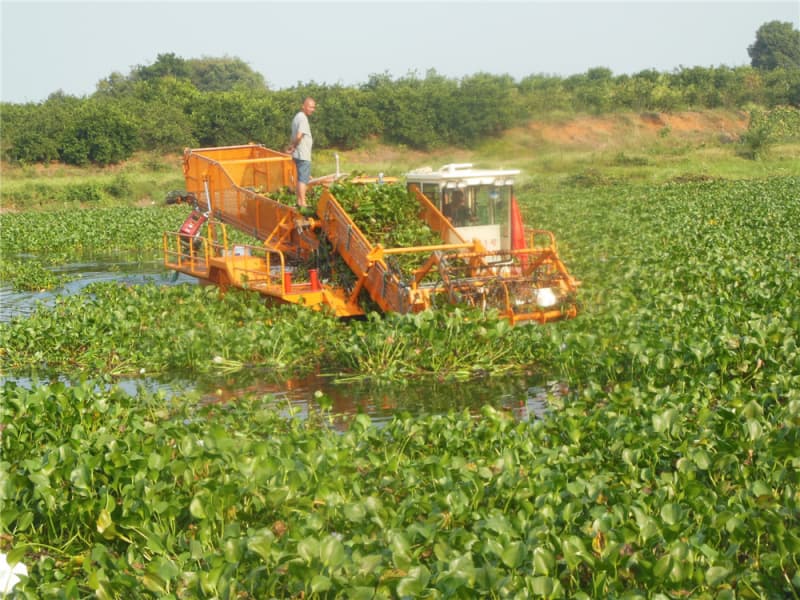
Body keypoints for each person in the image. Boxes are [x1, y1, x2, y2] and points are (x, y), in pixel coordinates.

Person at [286, 97, 316, 208]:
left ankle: (300, 200)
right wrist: (293, 146)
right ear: (303, 106)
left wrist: (292, 147)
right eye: (310, 107)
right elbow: (299, 136)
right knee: (303, 179)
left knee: (301, 177)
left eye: (313, 107)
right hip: (303, 154)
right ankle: (302, 202)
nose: (312, 109)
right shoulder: (303, 118)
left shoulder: (297, 117)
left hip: (299, 153)